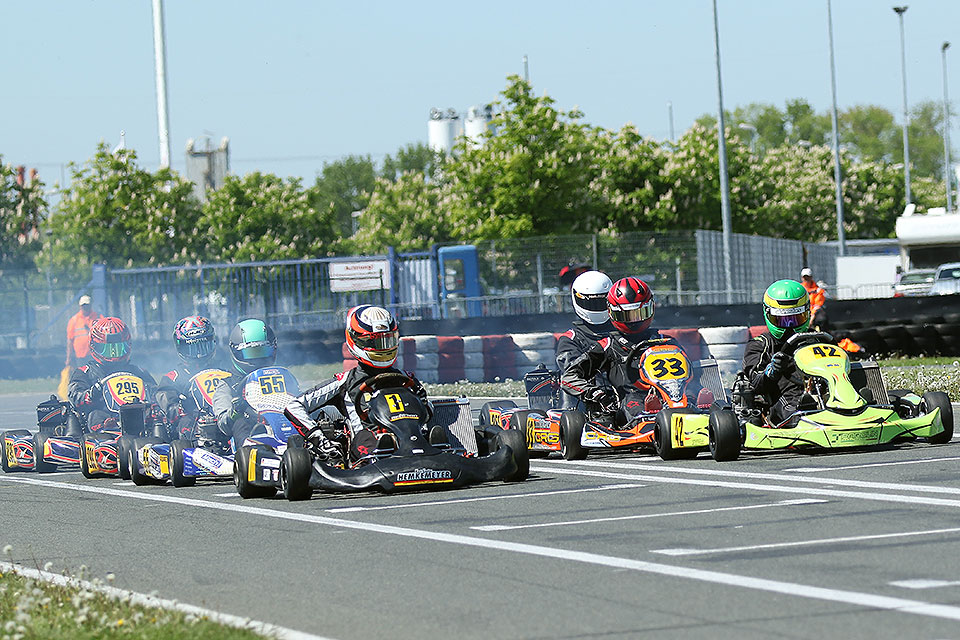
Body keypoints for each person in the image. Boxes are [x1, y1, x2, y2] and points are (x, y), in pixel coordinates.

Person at [283, 305, 431, 462]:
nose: (382, 349)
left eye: (386, 341)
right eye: (374, 343)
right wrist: (320, 439)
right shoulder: (345, 381)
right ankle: (383, 453)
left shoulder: (405, 378)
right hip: (368, 440)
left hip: (410, 436)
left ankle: (426, 450)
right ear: (355, 340)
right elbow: (294, 407)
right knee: (372, 444)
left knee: (433, 434)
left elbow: (427, 414)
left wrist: (424, 404)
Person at [560, 277, 673, 422]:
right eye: (628, 315)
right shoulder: (608, 344)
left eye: (640, 313)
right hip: (631, 398)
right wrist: (596, 393)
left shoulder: (664, 340)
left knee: (693, 398)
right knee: (637, 408)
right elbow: (569, 376)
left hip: (670, 393)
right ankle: (654, 424)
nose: (634, 321)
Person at [67, 316, 161, 435]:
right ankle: (106, 438)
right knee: (95, 414)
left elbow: (156, 393)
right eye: (107, 349)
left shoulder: (138, 372)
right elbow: (75, 395)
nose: (114, 354)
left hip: (139, 416)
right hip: (104, 416)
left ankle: (158, 441)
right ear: (94, 346)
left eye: (118, 348)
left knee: (157, 416)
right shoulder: (85, 372)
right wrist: (91, 394)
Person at [741, 279, 812, 425]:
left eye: (796, 318)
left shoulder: (819, 339)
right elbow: (756, 384)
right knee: (801, 414)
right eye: (783, 320)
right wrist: (772, 371)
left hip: (824, 395)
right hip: (786, 401)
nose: (790, 326)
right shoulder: (759, 345)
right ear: (768, 314)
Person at [155, 316, 228, 443]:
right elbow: (168, 406)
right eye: (192, 348)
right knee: (186, 421)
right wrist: (181, 407)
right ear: (180, 347)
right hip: (194, 422)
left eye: (203, 346)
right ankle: (198, 447)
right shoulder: (173, 378)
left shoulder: (225, 373)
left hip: (224, 416)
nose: (198, 354)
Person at [211, 318, 280, 449]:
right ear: (236, 353)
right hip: (249, 432)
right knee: (240, 422)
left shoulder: (280, 376)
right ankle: (251, 453)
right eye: (251, 353)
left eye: (262, 352)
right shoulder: (227, 385)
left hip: (280, 423)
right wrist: (235, 411)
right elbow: (223, 424)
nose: (257, 359)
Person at [555, 270, 614, 408]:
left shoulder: (622, 333)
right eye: (592, 303)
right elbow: (572, 374)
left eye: (601, 302)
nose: (597, 308)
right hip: (589, 405)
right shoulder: (571, 339)